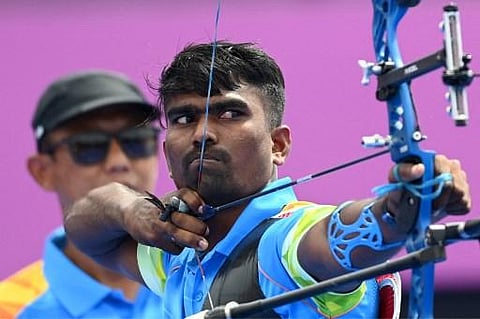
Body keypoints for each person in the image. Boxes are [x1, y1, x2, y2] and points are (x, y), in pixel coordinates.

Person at [64, 42, 471, 318]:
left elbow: (345, 234)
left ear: (277, 144)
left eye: (229, 113)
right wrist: (131, 207)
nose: (202, 133)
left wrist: (405, 204)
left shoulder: (287, 243)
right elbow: (84, 229)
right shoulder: (177, 253)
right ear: (166, 147)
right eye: (184, 118)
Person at [0, 70, 164, 318]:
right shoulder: (10, 310)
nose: (118, 161)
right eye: (89, 146)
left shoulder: (200, 283)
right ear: (42, 171)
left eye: (136, 140)